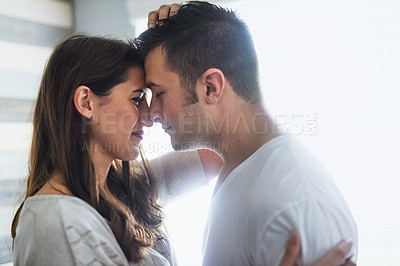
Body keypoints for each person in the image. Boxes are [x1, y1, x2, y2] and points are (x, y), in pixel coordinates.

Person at [137, 1, 358, 265]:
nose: (151, 114)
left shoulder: (294, 205)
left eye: (159, 93)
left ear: (211, 87)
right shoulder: (238, 164)